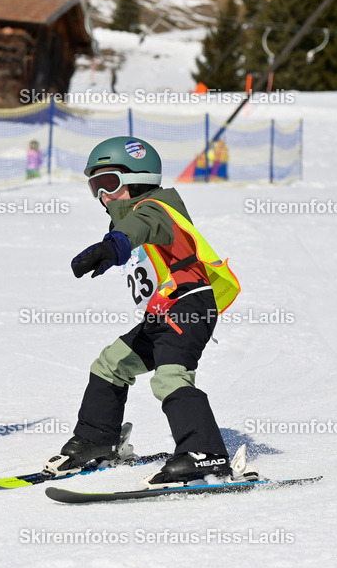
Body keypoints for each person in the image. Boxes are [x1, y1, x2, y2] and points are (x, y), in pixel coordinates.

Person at [42, 136, 258, 489]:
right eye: (95, 187)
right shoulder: (128, 220)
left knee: (170, 378)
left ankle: (204, 453)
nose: (103, 196)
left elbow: (138, 226)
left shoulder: (157, 208)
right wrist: (115, 244)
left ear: (138, 179)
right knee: (110, 364)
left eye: (109, 183)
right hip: (161, 316)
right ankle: (97, 440)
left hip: (188, 307)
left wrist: (113, 247)